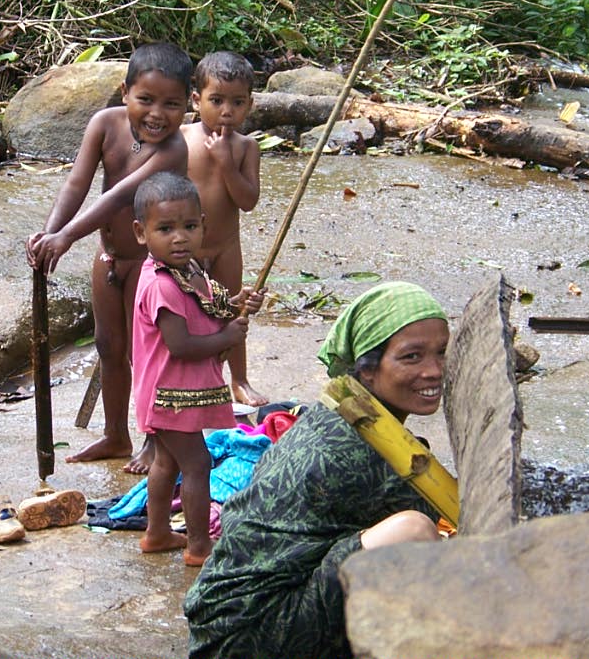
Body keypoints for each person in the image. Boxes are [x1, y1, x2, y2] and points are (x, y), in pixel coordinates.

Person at [184, 282, 449, 659]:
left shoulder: (344, 406)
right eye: (411, 357)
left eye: (441, 352)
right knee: (414, 532)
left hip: (224, 616)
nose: (434, 371)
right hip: (248, 636)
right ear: (368, 369)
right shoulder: (356, 449)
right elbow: (440, 519)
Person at [26, 42, 193, 470]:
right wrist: (49, 231)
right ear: (125, 93)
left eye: (171, 104)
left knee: (149, 354)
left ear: (187, 107)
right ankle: (115, 435)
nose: (157, 114)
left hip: (150, 266)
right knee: (108, 346)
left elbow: (121, 196)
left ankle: (157, 438)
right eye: (146, 100)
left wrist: (66, 237)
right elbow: (76, 185)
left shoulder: (174, 149)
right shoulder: (103, 124)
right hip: (110, 257)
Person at [130, 171, 264, 566]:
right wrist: (227, 339)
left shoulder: (188, 271)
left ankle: (157, 533)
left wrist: (239, 301)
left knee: (168, 461)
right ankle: (199, 546)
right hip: (169, 393)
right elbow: (182, 345)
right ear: (142, 233)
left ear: (203, 225)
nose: (179, 238)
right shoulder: (160, 285)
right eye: (165, 229)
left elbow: (210, 305)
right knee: (197, 462)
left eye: (189, 226)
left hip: (177, 393)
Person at [182, 51, 268, 408]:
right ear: (196, 100)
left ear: (250, 104)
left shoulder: (246, 147)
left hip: (225, 247)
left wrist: (227, 166)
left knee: (235, 312)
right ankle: (190, 377)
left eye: (237, 102)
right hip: (185, 249)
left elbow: (248, 201)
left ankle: (240, 380)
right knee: (187, 312)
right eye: (216, 101)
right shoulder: (181, 138)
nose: (226, 111)